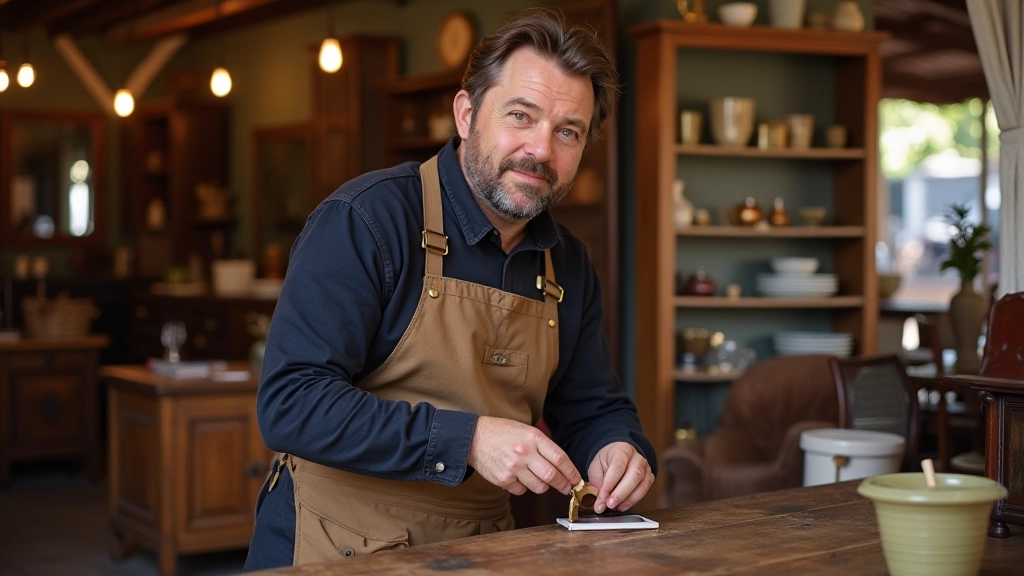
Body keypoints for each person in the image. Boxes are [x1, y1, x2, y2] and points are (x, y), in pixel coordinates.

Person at [243, 8, 656, 570]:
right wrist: (468, 439)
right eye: (520, 115)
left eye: (568, 131)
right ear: (466, 114)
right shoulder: (366, 221)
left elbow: (589, 405)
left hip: (484, 551)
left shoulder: (570, 265)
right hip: (333, 544)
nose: (540, 150)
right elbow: (292, 403)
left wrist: (616, 446)